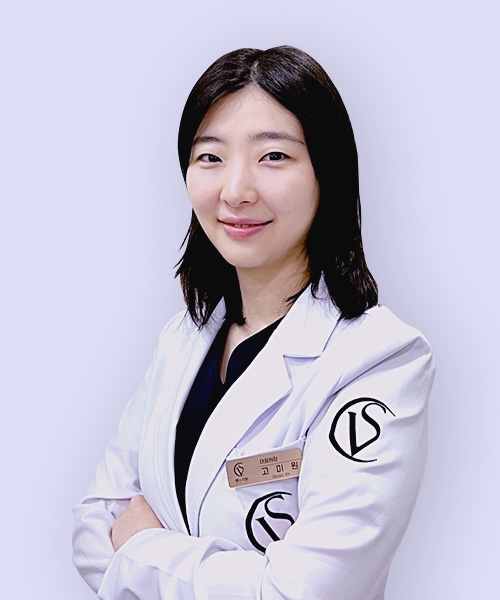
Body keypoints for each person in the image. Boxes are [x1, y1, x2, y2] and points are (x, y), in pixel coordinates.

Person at [72, 45, 435, 599]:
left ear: (327, 173)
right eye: (210, 157)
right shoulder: (184, 339)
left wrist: (140, 548)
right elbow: (93, 525)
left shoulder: (379, 360)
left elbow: (303, 592)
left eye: (273, 156)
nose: (236, 190)